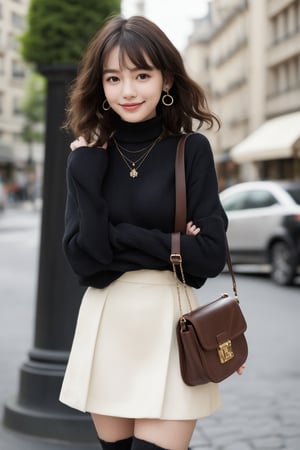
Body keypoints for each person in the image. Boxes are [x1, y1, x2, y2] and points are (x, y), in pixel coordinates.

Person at [59, 15, 245, 450]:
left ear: (165, 80)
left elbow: (208, 257)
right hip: (107, 322)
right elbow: (87, 263)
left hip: (169, 325)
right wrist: (174, 244)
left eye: (141, 75)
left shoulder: (190, 150)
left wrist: (118, 235)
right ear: (100, 87)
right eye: (114, 78)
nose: (127, 90)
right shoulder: (89, 157)